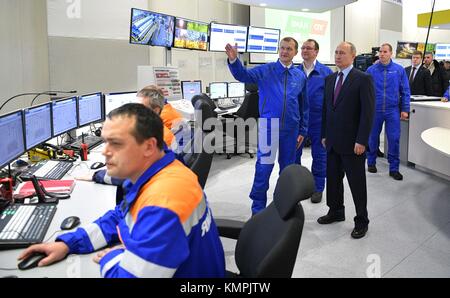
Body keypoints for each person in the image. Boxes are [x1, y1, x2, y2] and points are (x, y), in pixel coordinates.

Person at [19, 103, 225, 278]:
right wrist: (69, 243)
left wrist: (112, 256)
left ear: (149, 147)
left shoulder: (164, 201)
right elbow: (121, 216)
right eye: (105, 141)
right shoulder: (161, 171)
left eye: (115, 143)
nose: (105, 152)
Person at [225, 37, 309, 215]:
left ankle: (284, 205)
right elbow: (243, 75)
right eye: (282, 48)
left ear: (295, 52)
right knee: (264, 167)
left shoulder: (300, 75)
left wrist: (302, 130)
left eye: (289, 49)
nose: (285, 51)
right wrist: (234, 60)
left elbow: (304, 105)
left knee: (287, 170)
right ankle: (258, 209)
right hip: (270, 126)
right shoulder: (266, 70)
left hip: (291, 129)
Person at [319, 41, 375, 239]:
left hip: (353, 144)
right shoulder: (330, 79)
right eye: (336, 52)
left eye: (342, 53)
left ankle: (362, 220)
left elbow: (368, 114)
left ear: (353, 56)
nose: (337, 56)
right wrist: (324, 134)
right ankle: (336, 211)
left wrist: (362, 140)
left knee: (357, 183)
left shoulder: (363, 79)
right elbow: (327, 109)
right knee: (333, 180)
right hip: (333, 141)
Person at [92, 85, 187, 186]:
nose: (133, 112)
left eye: (140, 108)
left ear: (155, 111)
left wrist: (98, 175)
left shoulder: (161, 137)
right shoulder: (152, 130)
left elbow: (137, 176)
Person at [295, 39, 333, 203]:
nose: (305, 51)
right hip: (298, 121)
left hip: (319, 122)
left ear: (316, 51)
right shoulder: (294, 72)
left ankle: (318, 188)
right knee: (294, 155)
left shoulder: (326, 73)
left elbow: (332, 100)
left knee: (320, 156)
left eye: (309, 48)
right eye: (303, 48)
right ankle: (295, 187)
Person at [366, 43, 410, 181]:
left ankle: (394, 168)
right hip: (375, 110)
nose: (382, 54)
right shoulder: (371, 70)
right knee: (372, 138)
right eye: (380, 51)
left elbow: (405, 91)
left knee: (394, 138)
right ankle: (371, 162)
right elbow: (365, 91)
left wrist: (405, 109)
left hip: (392, 110)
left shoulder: (399, 70)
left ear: (391, 54)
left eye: (385, 51)